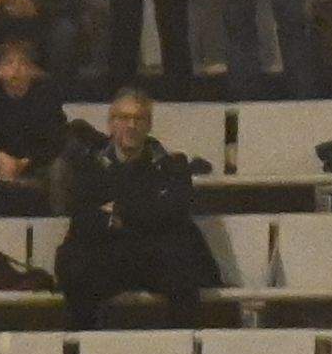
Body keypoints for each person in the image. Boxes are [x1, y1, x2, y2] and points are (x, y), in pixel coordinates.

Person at [51, 88, 215, 328]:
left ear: (148, 125)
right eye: (123, 118)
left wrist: (119, 212)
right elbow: (83, 218)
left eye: (138, 119)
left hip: (153, 256)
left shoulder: (172, 166)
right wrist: (146, 210)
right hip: (109, 255)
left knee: (182, 268)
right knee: (77, 271)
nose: (131, 125)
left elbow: (175, 212)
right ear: (111, 124)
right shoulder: (89, 167)